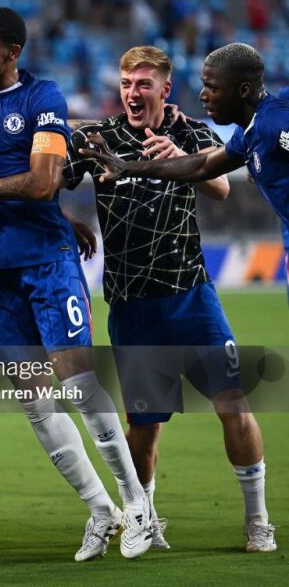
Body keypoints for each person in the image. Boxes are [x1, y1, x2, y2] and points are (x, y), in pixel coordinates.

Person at [0, 7, 152, 561]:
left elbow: (45, 181)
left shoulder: (42, 96)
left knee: (79, 384)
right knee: (34, 400)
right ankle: (102, 510)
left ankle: (138, 505)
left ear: (12, 52)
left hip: (48, 262)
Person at [64, 45, 272, 551]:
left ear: (165, 89)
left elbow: (221, 188)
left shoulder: (190, 131)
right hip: (131, 304)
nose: (133, 93)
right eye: (126, 84)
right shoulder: (100, 137)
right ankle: (146, 519)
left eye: (143, 84)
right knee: (144, 426)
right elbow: (48, 169)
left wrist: (180, 156)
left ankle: (258, 519)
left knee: (234, 405)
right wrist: (62, 219)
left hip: (191, 297)